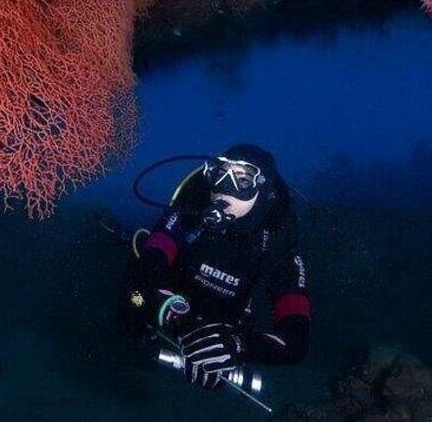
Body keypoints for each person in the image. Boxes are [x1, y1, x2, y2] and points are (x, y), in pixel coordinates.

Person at [120, 144, 310, 390]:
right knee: (131, 302)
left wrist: (238, 346)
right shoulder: (189, 210)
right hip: (166, 304)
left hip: (226, 327)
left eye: (242, 180)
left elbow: (295, 344)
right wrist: (172, 315)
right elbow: (148, 264)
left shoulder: (279, 244)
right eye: (219, 174)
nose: (224, 187)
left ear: (263, 189)